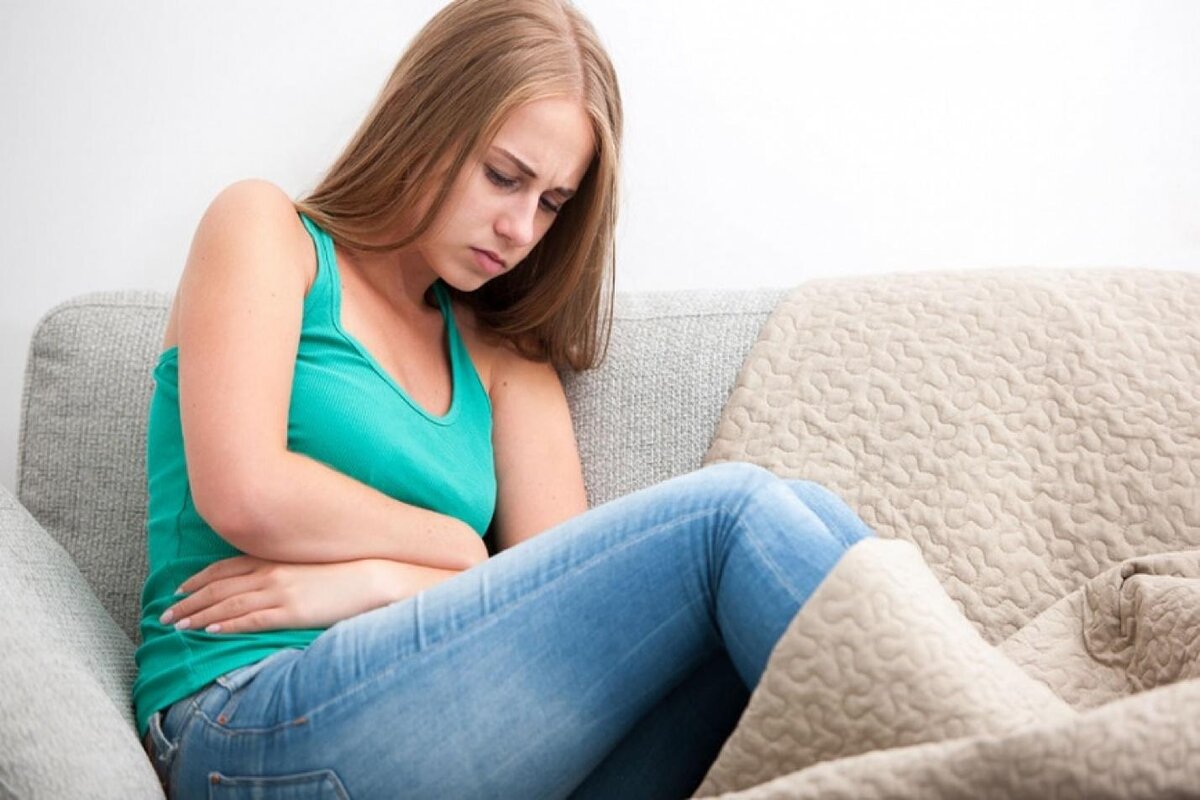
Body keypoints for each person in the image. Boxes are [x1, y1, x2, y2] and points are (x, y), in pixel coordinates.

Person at [132, 0, 876, 797]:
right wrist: (455, 546)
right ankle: (963, 746)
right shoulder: (266, 230)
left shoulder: (502, 356)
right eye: (503, 177)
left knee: (801, 524)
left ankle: (955, 753)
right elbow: (244, 491)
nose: (522, 228)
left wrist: (383, 580)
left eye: (551, 202)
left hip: (444, 748)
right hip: (244, 720)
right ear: (425, 123)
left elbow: (554, 610)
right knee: (733, 518)